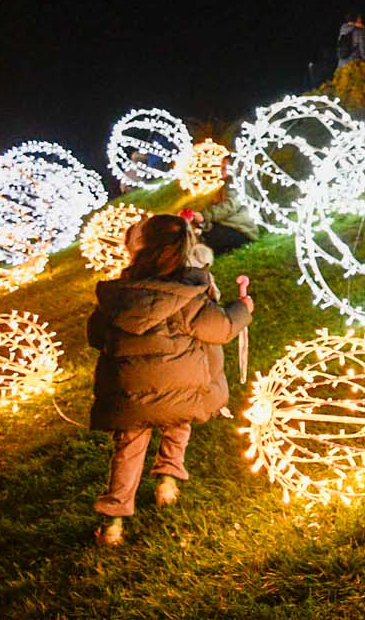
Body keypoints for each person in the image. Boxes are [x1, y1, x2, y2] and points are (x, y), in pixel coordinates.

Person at [87, 213, 253, 547]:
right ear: (184, 249)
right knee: (178, 422)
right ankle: (167, 479)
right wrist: (242, 309)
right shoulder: (189, 293)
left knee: (128, 449)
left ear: (140, 247)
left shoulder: (118, 296)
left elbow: (95, 336)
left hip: (130, 395)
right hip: (182, 389)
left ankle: (113, 522)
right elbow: (219, 329)